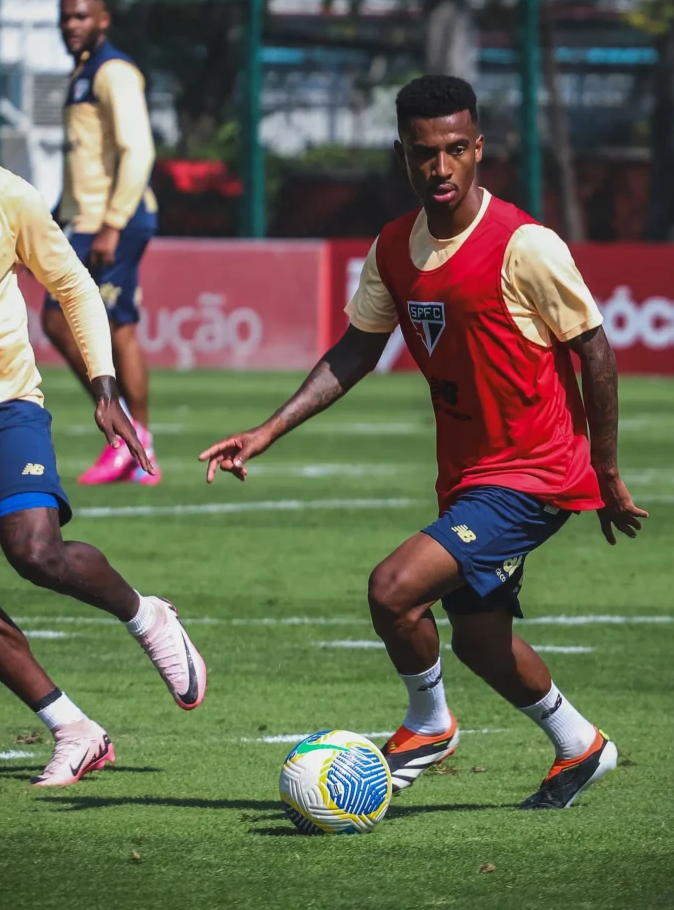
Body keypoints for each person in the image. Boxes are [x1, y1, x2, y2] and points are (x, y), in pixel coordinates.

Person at [199, 75, 647, 810]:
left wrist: (606, 471)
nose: (439, 169)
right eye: (422, 153)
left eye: (453, 151)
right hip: (470, 476)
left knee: (393, 589)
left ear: (478, 150)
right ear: (401, 154)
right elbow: (354, 351)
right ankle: (581, 746)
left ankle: (429, 724)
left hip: (535, 473)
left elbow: (594, 349)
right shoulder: (392, 249)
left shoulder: (525, 244)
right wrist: (267, 430)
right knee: (477, 642)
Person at [0, 54, 206, 787]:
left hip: (5, 405)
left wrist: (103, 387)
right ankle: (72, 727)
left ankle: (148, 617)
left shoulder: (8, 198)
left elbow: (73, 286)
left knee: (35, 552)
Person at [41, 0, 160, 486]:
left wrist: (112, 222)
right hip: (84, 219)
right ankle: (131, 437)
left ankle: (133, 437)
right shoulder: (83, 73)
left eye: (82, 16)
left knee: (100, 327)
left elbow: (138, 149)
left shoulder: (113, 71)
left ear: (104, 19)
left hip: (113, 220)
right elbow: (85, 161)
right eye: (66, 16)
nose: (71, 25)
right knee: (92, 325)